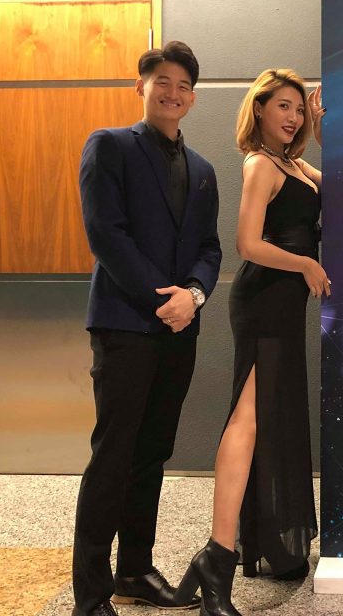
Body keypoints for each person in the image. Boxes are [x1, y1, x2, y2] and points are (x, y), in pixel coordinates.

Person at [72, 41, 222, 616]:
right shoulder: (110, 146)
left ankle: (134, 569)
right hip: (126, 325)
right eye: (163, 82)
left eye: (184, 86)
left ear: (193, 98)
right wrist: (165, 299)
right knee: (113, 455)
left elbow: (208, 248)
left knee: (153, 452)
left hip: (179, 329)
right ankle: (90, 595)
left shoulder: (203, 170)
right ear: (141, 86)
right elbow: (106, 234)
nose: (173, 93)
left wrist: (194, 295)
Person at [175, 69, 325, 616]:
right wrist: (306, 264)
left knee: (269, 417)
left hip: (284, 303)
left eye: (299, 109)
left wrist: (322, 136)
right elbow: (247, 243)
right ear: (259, 109)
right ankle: (217, 554)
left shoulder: (295, 165)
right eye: (283, 106)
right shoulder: (260, 164)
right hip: (264, 300)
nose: (293, 117)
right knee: (249, 418)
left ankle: (240, 549)